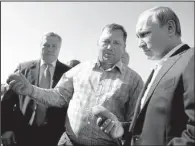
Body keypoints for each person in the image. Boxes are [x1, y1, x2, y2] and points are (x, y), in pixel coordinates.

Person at [7, 23, 144, 146]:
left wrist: (121, 127)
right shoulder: (79, 70)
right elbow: (58, 96)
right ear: (98, 43)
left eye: (116, 43)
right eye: (106, 41)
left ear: (124, 46)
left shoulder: (135, 81)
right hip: (68, 142)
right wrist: (31, 90)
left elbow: (137, 125)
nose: (109, 47)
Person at [127, 6, 195, 145]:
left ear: (170, 28)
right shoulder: (159, 68)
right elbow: (149, 126)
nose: (139, 44)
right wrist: (121, 129)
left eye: (144, 34)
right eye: (137, 37)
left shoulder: (190, 58)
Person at [1, 32, 71, 146]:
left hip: (54, 136)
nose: (50, 49)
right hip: (22, 132)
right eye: (46, 45)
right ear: (40, 46)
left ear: (60, 49)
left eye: (54, 46)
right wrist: (6, 128)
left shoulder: (69, 73)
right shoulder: (23, 69)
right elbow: (7, 101)